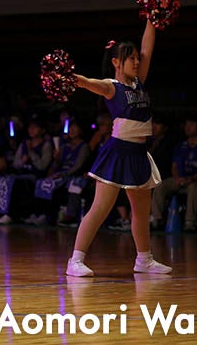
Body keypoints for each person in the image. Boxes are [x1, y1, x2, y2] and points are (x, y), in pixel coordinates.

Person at [66, 21, 172, 277]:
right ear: (116, 62)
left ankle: (144, 260)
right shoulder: (111, 86)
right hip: (117, 153)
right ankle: (75, 260)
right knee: (100, 208)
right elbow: (85, 81)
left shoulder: (140, 82)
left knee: (141, 211)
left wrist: (149, 18)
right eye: (130, 59)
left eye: (137, 58)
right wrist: (66, 77)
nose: (136, 62)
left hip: (139, 154)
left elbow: (148, 47)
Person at [151, 114, 197, 232]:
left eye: (192, 125)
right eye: (187, 125)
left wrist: (192, 178)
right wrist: (177, 177)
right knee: (160, 186)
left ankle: (190, 222)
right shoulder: (181, 145)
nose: (188, 127)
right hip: (180, 179)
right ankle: (156, 219)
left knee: (193, 188)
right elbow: (174, 166)